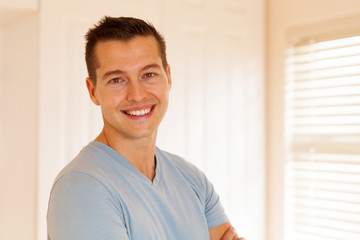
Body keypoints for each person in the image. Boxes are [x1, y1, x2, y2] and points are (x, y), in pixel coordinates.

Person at [47, 16, 244, 240]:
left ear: (168, 78)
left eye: (149, 75)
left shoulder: (191, 179)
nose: (137, 95)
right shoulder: (81, 188)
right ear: (93, 91)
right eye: (116, 80)